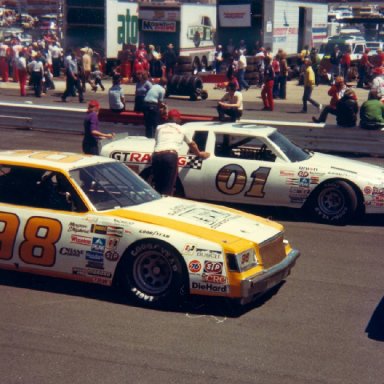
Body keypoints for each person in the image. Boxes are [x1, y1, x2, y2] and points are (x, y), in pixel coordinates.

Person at [152, 109, 210, 196]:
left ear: (168, 118)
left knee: (157, 184)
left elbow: (157, 142)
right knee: (168, 185)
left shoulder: (159, 127)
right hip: (170, 156)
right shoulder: (182, 129)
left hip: (156, 155)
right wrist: (199, 154)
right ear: (178, 119)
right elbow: (192, 144)